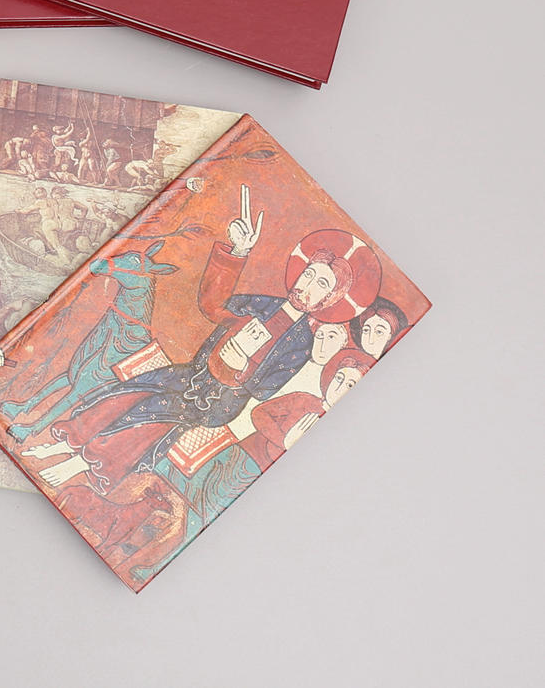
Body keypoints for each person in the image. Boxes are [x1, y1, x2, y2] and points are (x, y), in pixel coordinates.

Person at [20, 186, 383, 493]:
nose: (308, 284)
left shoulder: (300, 342)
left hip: (220, 402)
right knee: (132, 391)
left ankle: (84, 463)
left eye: (321, 283)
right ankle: (67, 443)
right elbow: (212, 304)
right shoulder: (261, 304)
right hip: (193, 373)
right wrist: (238, 252)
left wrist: (240, 367)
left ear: (330, 299)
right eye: (309, 274)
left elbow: (265, 389)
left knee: (156, 414)